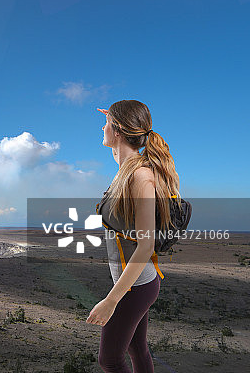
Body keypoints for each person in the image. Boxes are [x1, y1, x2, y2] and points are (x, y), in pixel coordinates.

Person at [86, 100, 181, 373]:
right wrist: (116, 117)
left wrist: (111, 301)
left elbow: (145, 246)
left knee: (110, 360)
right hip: (134, 283)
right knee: (136, 348)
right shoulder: (126, 170)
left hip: (135, 287)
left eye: (106, 124)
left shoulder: (140, 176)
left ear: (116, 131)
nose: (101, 128)